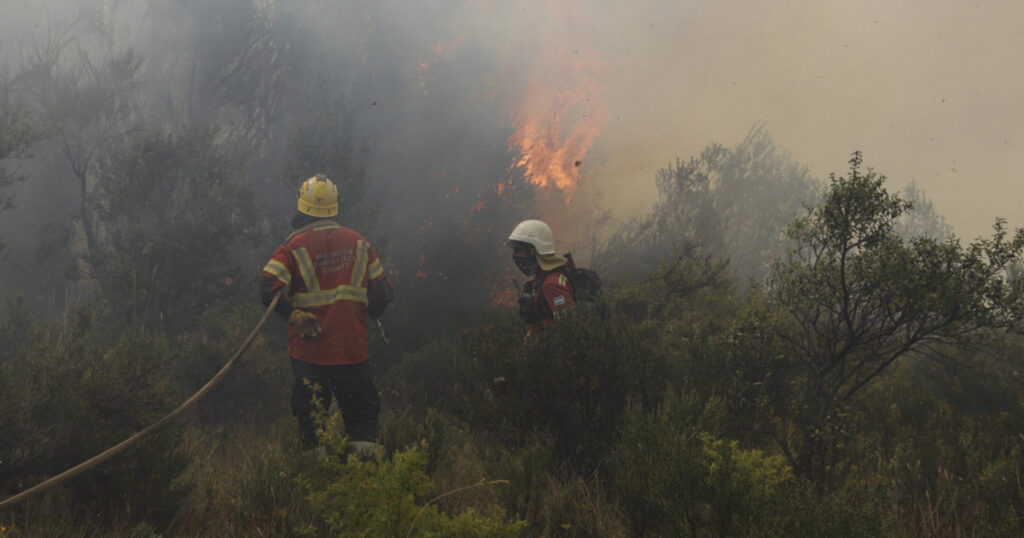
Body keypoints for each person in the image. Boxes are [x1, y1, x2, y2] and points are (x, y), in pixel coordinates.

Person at [260, 174, 393, 458]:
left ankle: (316, 487)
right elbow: (382, 294)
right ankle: (368, 482)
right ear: (335, 206)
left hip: (310, 353)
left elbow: (267, 288)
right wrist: (370, 312)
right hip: (352, 349)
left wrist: (293, 315)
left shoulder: (292, 247)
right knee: (362, 420)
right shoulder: (360, 243)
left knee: (312, 422)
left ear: (301, 206)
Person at [507, 219, 575, 334]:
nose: (514, 255)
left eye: (517, 249)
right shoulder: (541, 279)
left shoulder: (552, 284)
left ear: (532, 250)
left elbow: (569, 327)